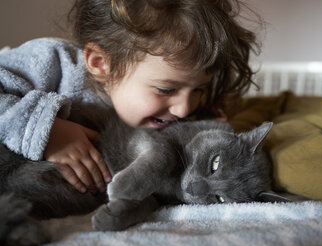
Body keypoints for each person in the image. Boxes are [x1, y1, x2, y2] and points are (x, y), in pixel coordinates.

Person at [0, 0, 261, 194]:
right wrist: (46, 131)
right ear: (101, 63)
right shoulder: (52, 62)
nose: (184, 109)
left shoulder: (172, 111)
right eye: (166, 90)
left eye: (198, 90)